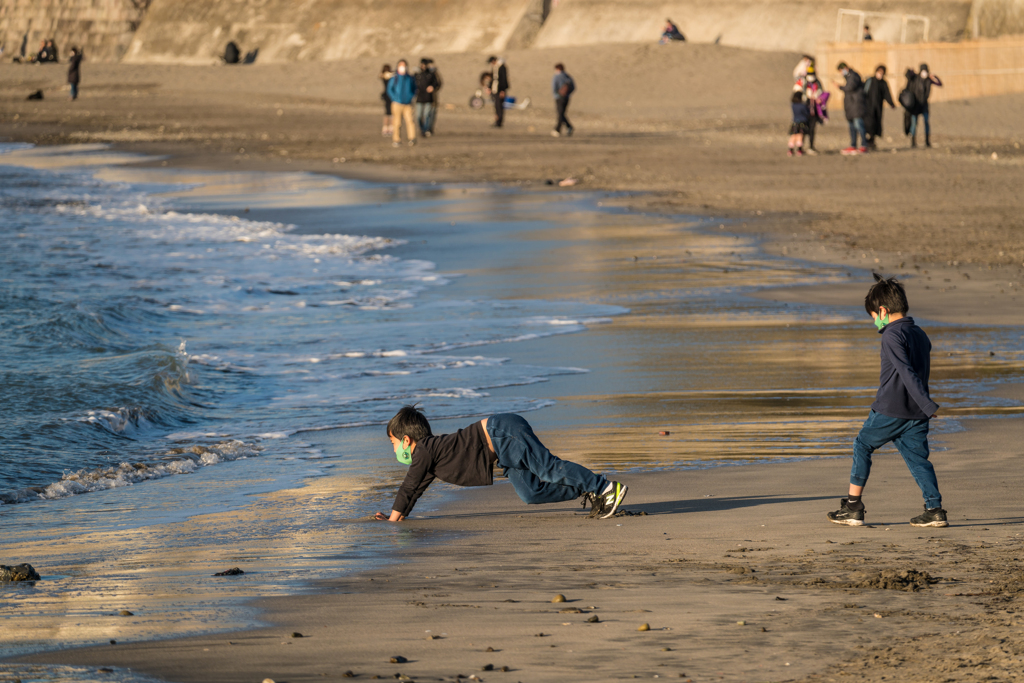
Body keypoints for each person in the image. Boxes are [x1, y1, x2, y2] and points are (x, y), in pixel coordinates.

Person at [827, 275, 947, 529]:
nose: (875, 322)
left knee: (862, 445)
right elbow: (918, 371)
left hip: (891, 409)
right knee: (918, 461)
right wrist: (923, 407)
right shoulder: (920, 334)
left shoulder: (891, 335)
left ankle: (853, 507)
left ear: (882, 310)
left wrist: (927, 404)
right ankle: (934, 510)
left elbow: (906, 372)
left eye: (873, 316)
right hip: (916, 414)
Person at [375, 406, 629, 522]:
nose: (394, 449)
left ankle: (606, 488)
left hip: (502, 432)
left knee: (547, 468)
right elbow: (416, 489)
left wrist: (391, 521)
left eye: (393, 444)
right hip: (501, 452)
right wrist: (398, 517)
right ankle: (589, 488)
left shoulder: (424, 450)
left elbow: (408, 486)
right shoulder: (430, 456)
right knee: (531, 493)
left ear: (406, 440)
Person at [905, 63, 942, 148]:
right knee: (914, 123)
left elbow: (939, 84)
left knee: (926, 123)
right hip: (916, 105)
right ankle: (913, 142)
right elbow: (908, 76)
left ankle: (927, 141)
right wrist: (910, 70)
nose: (924, 72)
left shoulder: (929, 80)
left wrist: (934, 76)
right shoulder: (916, 78)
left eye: (925, 71)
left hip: (924, 105)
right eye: (923, 70)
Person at [836, 62, 866, 154]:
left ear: (845, 68)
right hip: (850, 107)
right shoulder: (849, 77)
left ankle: (864, 145)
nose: (841, 72)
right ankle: (853, 145)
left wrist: (840, 87)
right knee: (852, 127)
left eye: (841, 70)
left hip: (856, 106)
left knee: (859, 126)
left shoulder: (853, 76)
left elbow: (850, 87)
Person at [386, 59, 417, 147]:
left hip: (408, 103)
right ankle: (396, 139)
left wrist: (411, 96)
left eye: (404, 65)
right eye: (401, 65)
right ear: (398, 66)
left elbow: (415, 88)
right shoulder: (394, 78)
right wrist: (394, 98)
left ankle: (412, 138)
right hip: (397, 103)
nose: (403, 67)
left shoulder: (410, 78)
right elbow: (389, 89)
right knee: (397, 122)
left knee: (410, 121)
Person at [863, 65, 894, 149]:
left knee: (876, 124)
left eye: (882, 73)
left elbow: (887, 94)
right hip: (868, 107)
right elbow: (864, 92)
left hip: (878, 108)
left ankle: (872, 141)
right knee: (868, 124)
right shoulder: (870, 80)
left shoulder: (883, 83)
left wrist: (891, 103)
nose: (880, 74)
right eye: (879, 72)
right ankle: (866, 140)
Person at [801, 66, 828, 155]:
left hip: (815, 110)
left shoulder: (817, 82)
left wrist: (818, 98)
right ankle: (800, 147)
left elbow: (822, 93)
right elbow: (799, 94)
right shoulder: (804, 82)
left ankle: (811, 146)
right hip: (805, 109)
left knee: (812, 129)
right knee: (803, 128)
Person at [414, 57, 442, 138]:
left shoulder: (432, 74)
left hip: (429, 98)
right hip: (419, 98)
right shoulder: (417, 74)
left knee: (427, 115)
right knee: (419, 116)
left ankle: (427, 129)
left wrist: (432, 87)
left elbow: (438, 83)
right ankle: (422, 129)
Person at [551, 62, 575, 137]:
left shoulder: (556, 77)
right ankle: (568, 127)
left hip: (559, 98)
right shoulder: (568, 76)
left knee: (560, 114)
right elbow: (573, 87)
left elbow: (554, 88)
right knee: (562, 113)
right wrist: (567, 94)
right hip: (567, 98)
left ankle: (558, 129)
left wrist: (558, 94)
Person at [487, 55, 509, 128]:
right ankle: (497, 121)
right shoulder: (494, 67)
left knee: (499, 106)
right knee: (496, 106)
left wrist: (503, 90)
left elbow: (504, 79)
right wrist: (489, 88)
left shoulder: (502, 67)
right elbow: (493, 79)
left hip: (500, 90)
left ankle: (499, 122)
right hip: (495, 89)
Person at [788, 90, 809, 156]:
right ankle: (799, 150)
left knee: (793, 136)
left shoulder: (793, 105)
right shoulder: (802, 105)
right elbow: (807, 112)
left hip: (794, 121)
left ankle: (790, 150)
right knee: (800, 136)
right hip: (802, 122)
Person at [380, 64, 394, 137]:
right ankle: (388, 127)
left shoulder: (387, 76)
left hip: (387, 96)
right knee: (389, 113)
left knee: (388, 113)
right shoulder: (388, 77)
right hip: (389, 96)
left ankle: (387, 127)